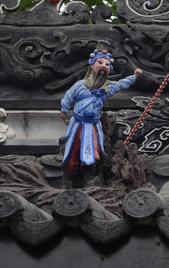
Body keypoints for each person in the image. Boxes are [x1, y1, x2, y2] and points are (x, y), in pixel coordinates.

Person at [60, 45, 142, 184]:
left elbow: (122, 84)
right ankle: (70, 178)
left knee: (93, 150)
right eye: (100, 62)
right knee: (74, 150)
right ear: (92, 65)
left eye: (107, 64)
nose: (104, 66)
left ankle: (89, 178)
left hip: (93, 125)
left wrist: (134, 77)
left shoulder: (108, 88)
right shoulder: (80, 85)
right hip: (78, 123)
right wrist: (64, 110)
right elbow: (68, 96)